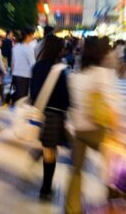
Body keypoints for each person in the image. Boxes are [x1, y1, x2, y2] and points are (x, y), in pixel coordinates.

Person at [65, 37, 121, 214]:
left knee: (76, 170)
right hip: (98, 130)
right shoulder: (102, 74)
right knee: (114, 169)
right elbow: (109, 106)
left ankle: (72, 208)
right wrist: (116, 131)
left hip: (78, 129)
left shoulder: (75, 75)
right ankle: (114, 203)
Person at [30, 34, 70, 201]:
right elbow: (66, 99)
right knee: (50, 153)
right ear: (59, 50)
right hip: (54, 115)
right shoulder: (60, 69)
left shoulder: (36, 67)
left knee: (45, 147)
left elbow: (33, 94)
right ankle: (46, 189)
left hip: (39, 114)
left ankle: (38, 152)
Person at [11, 27, 36, 102]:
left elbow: (13, 62)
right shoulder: (28, 49)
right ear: (28, 36)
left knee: (16, 96)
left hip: (15, 75)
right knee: (22, 99)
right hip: (25, 77)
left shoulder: (16, 47)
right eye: (32, 35)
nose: (33, 37)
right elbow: (33, 65)